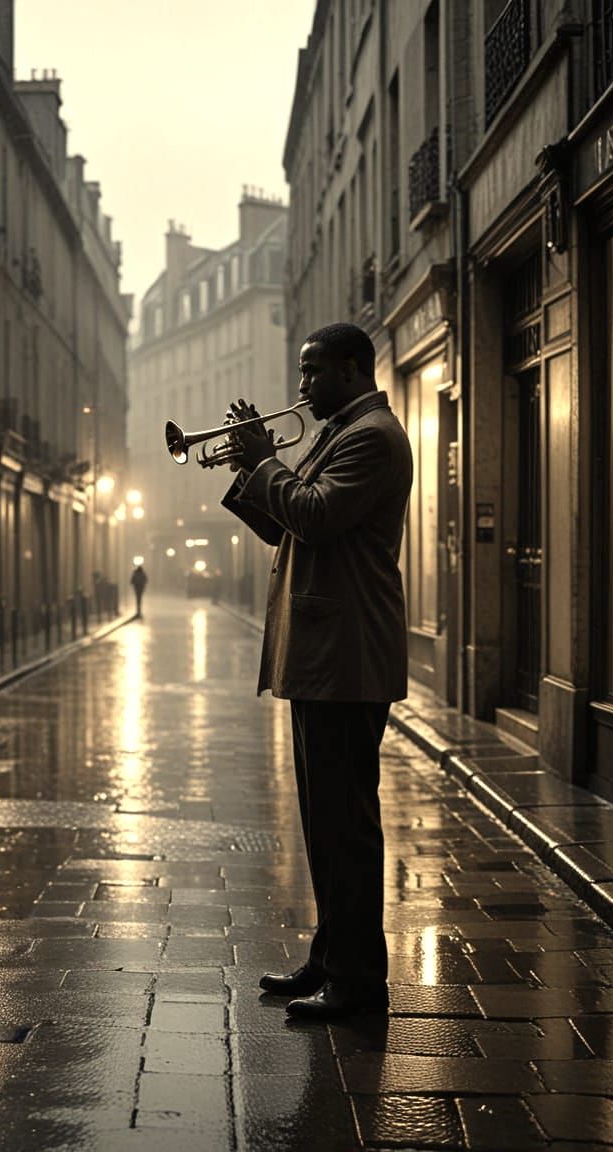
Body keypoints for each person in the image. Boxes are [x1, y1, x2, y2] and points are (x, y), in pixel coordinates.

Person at [220, 322, 413, 1021]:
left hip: (347, 657)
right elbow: (283, 524)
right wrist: (252, 467)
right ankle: (330, 959)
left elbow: (318, 514)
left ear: (352, 369)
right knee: (324, 823)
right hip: (327, 659)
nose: (300, 387)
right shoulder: (341, 431)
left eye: (311, 372)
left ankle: (359, 984)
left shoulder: (372, 437)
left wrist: (266, 459)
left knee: (347, 828)